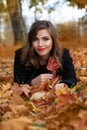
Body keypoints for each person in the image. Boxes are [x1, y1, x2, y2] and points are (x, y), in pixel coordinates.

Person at [14, 20, 77, 88]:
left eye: (45, 39)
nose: (40, 44)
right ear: (30, 41)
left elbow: (71, 78)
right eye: (35, 39)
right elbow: (18, 81)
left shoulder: (63, 54)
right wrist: (32, 82)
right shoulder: (21, 55)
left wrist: (63, 85)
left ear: (53, 40)